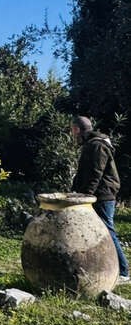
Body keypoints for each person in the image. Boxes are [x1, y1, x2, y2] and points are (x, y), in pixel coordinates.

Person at [71, 115, 128, 279]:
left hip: (103, 195)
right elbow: (84, 172)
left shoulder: (97, 146)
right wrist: (74, 190)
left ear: (77, 129)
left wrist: (86, 196)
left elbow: (96, 173)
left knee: (107, 231)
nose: (72, 134)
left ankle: (123, 271)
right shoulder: (91, 144)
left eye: (72, 130)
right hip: (96, 194)